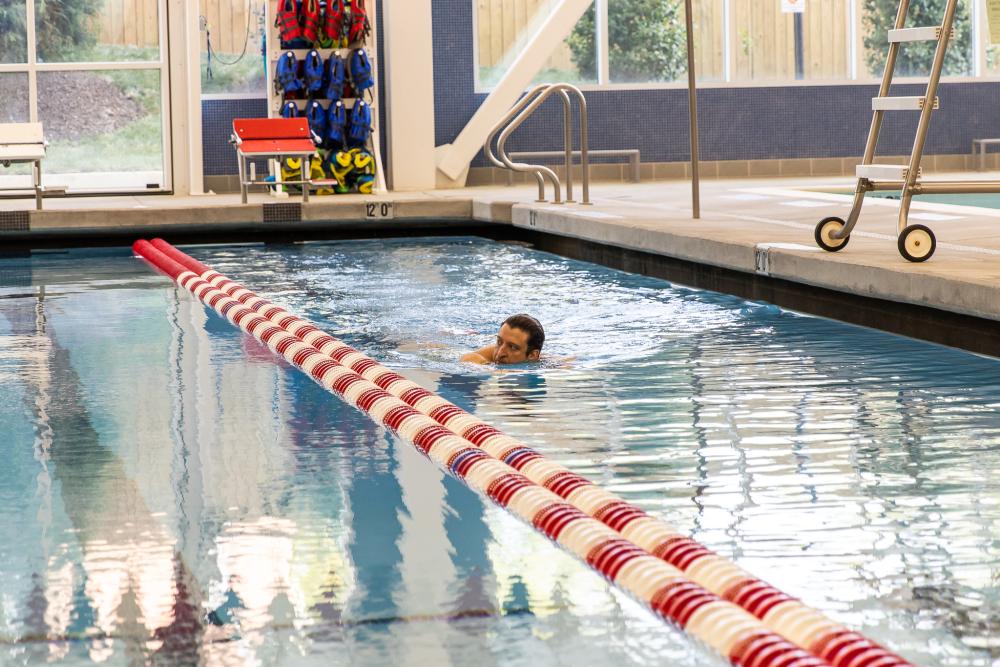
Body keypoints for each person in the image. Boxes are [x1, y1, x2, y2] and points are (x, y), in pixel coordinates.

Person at [461, 314, 544, 365]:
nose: (500, 353)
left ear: (532, 355)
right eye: (499, 342)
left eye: (513, 347)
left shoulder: (546, 364)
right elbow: (467, 358)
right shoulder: (490, 353)